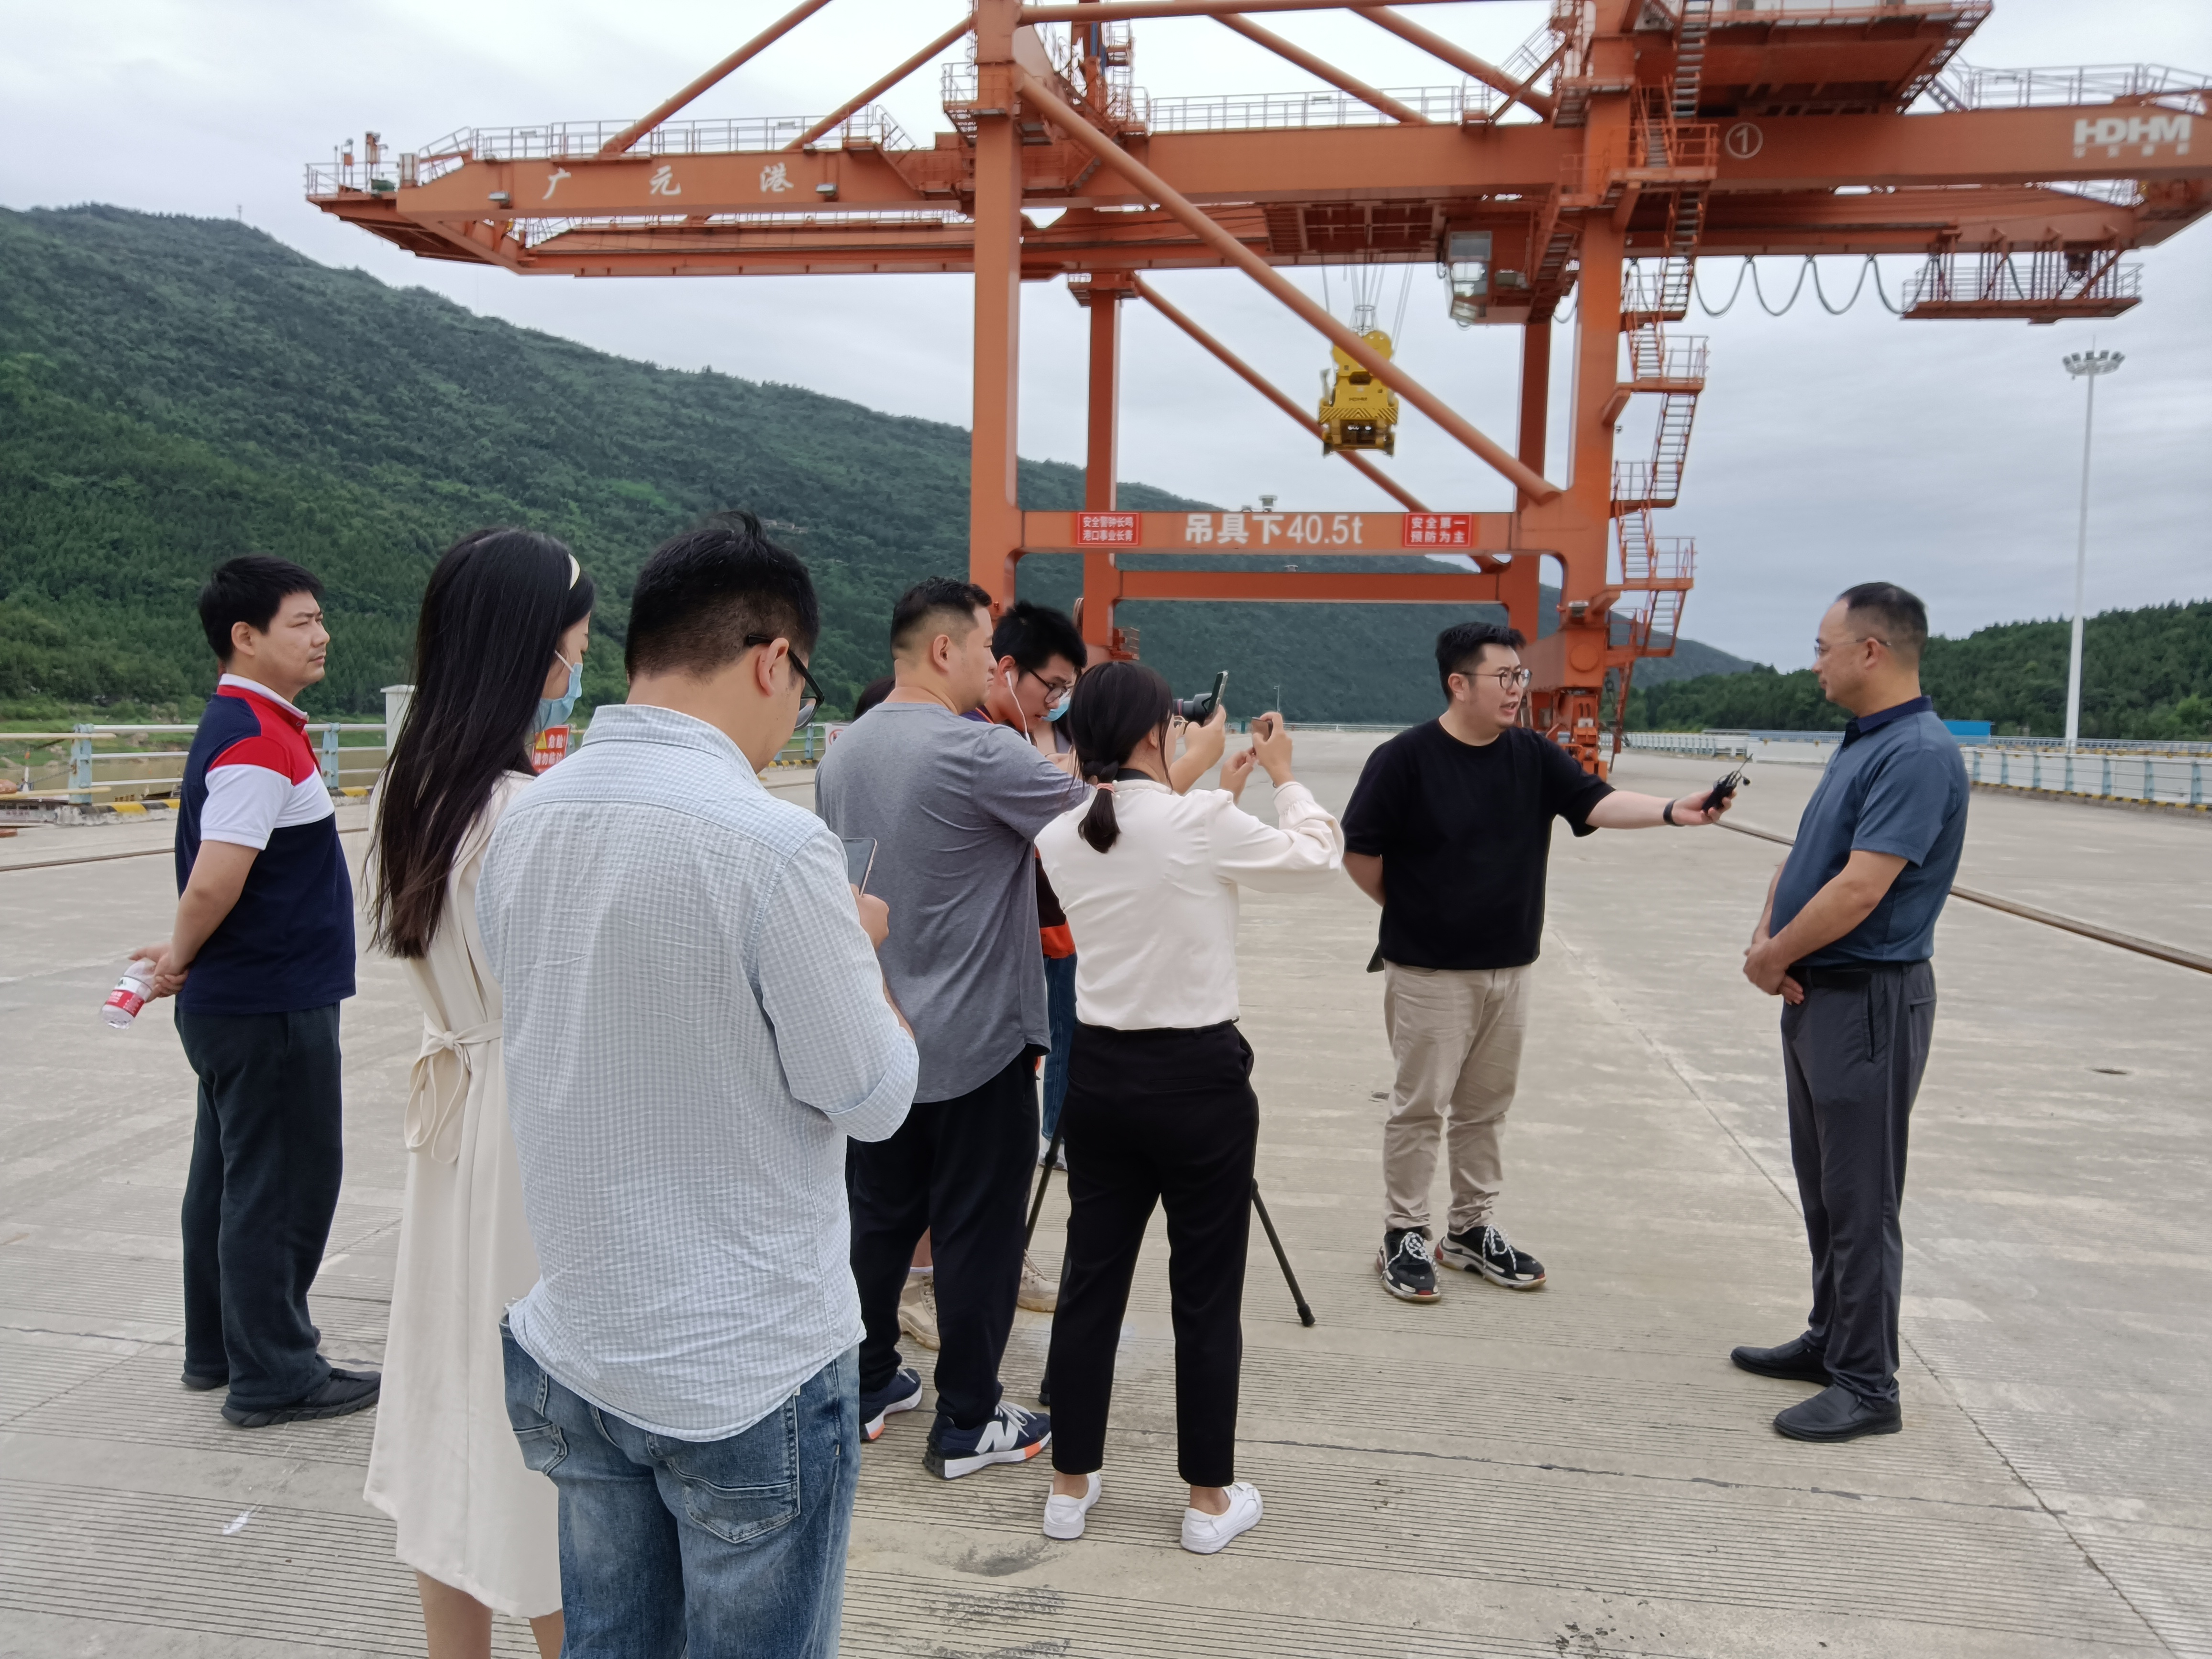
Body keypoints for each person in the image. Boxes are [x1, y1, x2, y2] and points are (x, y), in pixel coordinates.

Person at [478, 514, 916, 1658]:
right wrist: (860, 961)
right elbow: (872, 1098)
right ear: (772, 660)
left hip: (581, 1342)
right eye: (801, 689)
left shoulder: (523, 822)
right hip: (745, 1366)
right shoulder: (775, 847)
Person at [1034, 666, 1340, 1555]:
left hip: (1102, 1080)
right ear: (1153, 734)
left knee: (1092, 1284)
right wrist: (1283, 776)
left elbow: (1142, 845)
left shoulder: (1059, 834)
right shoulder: (1201, 822)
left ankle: (1069, 1487)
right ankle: (1208, 1500)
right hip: (1199, 1081)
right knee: (1205, 1295)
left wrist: (1213, 789)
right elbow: (1316, 855)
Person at [1341, 621, 1733, 1305]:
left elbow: (1597, 801)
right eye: (1504, 677)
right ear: (1458, 684)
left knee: (1485, 1109)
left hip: (1511, 969)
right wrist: (1414, 912)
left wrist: (1676, 810)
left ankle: (1469, 1230)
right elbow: (1359, 853)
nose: (1518, 689)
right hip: (1430, 972)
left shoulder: (1532, 755)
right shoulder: (1404, 759)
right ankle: (1404, 1232)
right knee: (1420, 1108)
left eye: (1520, 676)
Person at [361, 529, 594, 1659]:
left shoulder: (409, 787)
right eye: (576, 645)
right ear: (535, 653)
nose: (579, 663)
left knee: (450, 1393)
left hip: (450, 1121)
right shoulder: (529, 813)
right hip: (522, 1124)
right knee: (547, 1435)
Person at [815, 578, 1090, 1478]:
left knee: (877, 1222)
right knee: (979, 1235)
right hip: (978, 1044)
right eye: (983, 649)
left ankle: (865, 1385)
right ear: (944, 650)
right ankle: (970, 1417)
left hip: (879, 1038)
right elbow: (1095, 821)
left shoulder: (844, 752)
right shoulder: (977, 749)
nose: (993, 664)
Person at [132, 555, 378, 1428]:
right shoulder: (256, 741)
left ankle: (218, 1351)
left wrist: (185, 953)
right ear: (246, 636)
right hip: (270, 1005)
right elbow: (215, 879)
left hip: (242, 1002)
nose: (322, 636)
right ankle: (275, 1373)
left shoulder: (246, 722)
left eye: (319, 619)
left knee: (229, 1181)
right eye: (302, 622)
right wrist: (178, 955)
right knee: (281, 1188)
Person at [1734, 583, 1967, 1443]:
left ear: (1872, 650)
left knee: (1862, 1198)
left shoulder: (1917, 754)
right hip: (1819, 994)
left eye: (1823, 647)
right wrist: (1768, 937)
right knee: (1827, 1190)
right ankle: (1831, 1339)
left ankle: (1869, 1384)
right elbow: (1807, 858)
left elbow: (1861, 889)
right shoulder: (1865, 741)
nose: (1815, 664)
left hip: (1868, 997)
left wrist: (1773, 957)